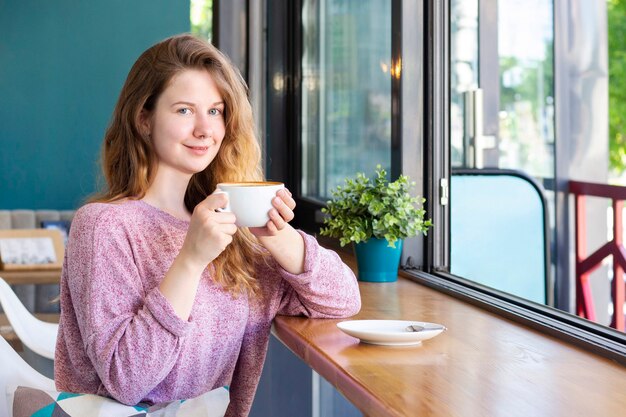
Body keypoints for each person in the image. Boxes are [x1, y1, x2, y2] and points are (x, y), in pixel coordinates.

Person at [54, 34, 361, 417]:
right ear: (143, 119)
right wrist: (190, 260)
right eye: (184, 111)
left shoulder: (234, 235)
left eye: (215, 111)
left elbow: (343, 299)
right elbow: (127, 381)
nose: (204, 129)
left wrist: (277, 237)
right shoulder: (103, 227)